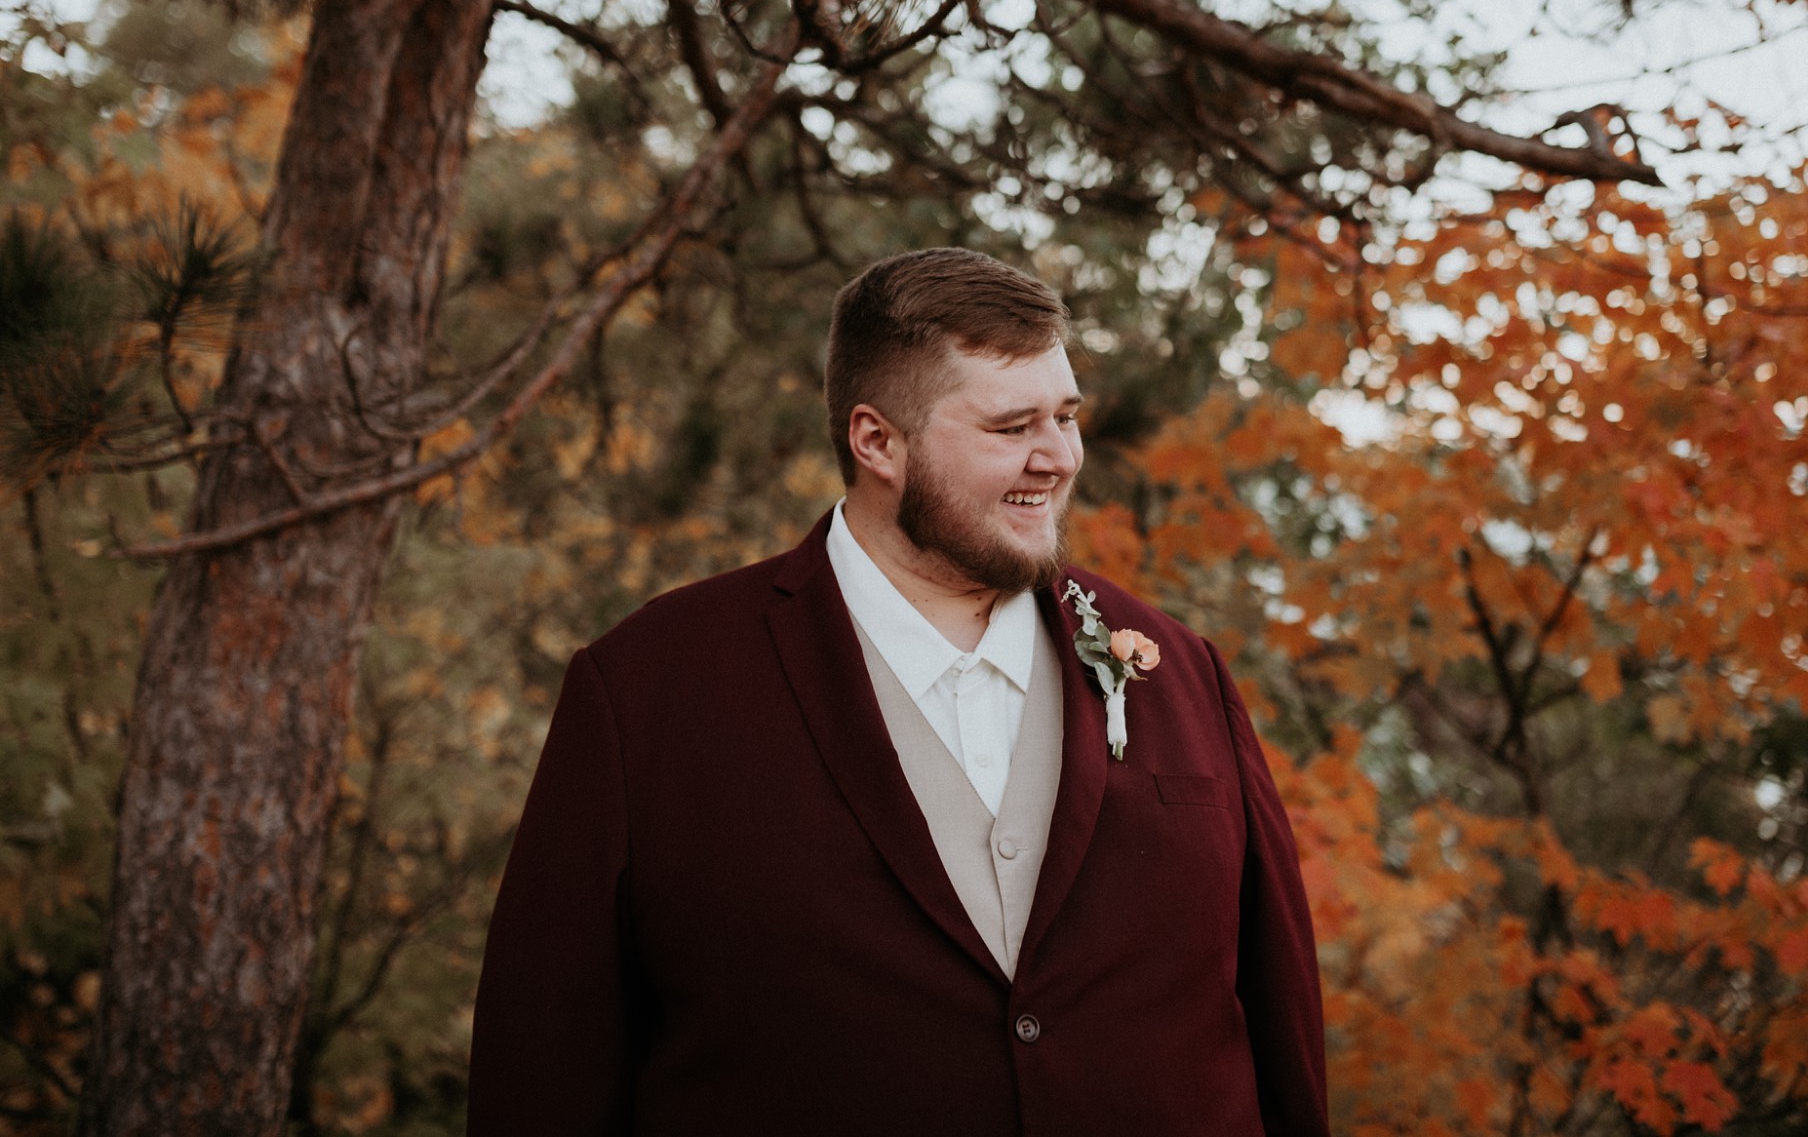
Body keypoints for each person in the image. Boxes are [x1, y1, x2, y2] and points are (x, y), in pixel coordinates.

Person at [468, 248, 1328, 1136]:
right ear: (877, 441)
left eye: (1067, 416)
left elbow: (1282, 1027)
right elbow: (541, 1071)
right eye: (1012, 427)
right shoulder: (645, 690)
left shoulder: (1181, 671)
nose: (1061, 457)